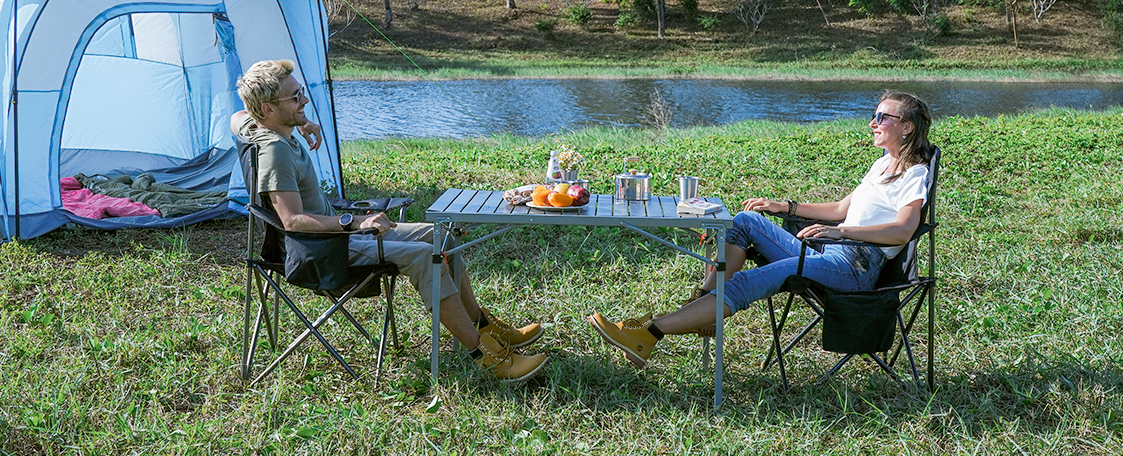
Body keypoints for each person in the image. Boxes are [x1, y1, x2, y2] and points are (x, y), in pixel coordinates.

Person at [233, 59, 548, 382]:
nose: (305, 100)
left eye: (301, 92)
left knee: (442, 237)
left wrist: (300, 120)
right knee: (426, 256)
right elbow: (293, 221)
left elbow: (236, 117)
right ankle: (487, 357)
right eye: (296, 97)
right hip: (322, 250)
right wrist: (355, 223)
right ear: (269, 108)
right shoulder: (275, 152)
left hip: (336, 237)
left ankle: (483, 325)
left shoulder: (260, 124)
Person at [588, 90, 934, 368]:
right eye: (873, 116)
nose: (872, 123)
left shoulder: (915, 172)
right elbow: (842, 209)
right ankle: (703, 310)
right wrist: (784, 207)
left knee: (750, 280)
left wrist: (842, 232)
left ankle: (649, 333)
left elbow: (903, 230)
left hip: (854, 267)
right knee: (746, 222)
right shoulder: (881, 165)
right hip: (829, 254)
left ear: (906, 127)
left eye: (881, 117)